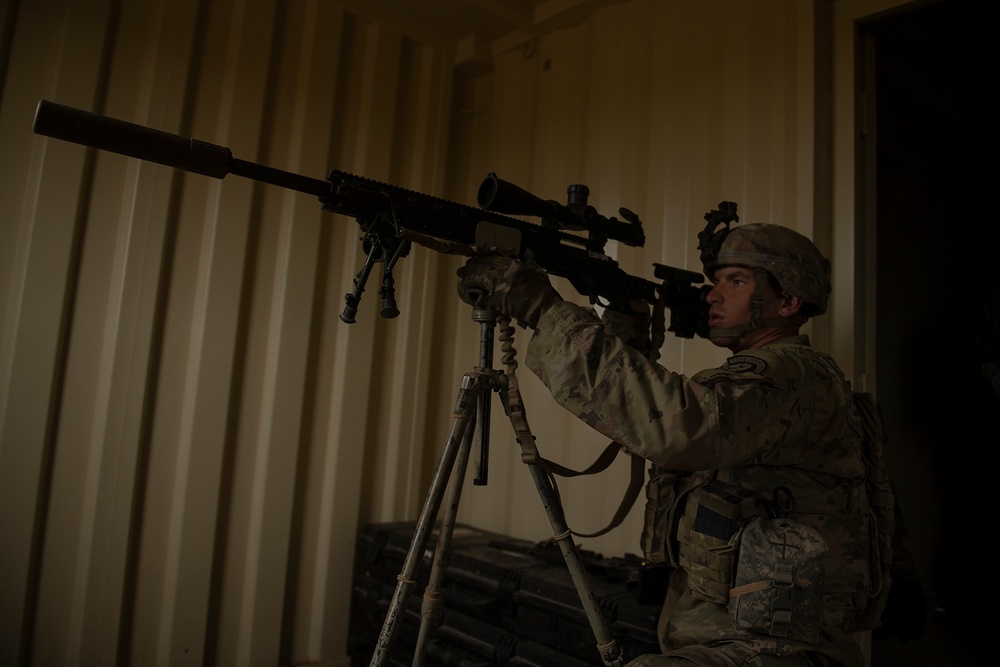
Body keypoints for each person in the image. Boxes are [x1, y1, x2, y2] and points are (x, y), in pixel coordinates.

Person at [456, 216, 893, 667]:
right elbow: (645, 419)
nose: (713, 295)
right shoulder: (761, 382)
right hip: (727, 641)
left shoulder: (791, 374)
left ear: (788, 301)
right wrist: (626, 337)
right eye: (716, 281)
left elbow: (677, 426)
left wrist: (541, 308)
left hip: (775, 650)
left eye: (736, 281)